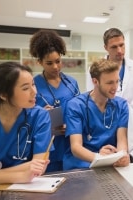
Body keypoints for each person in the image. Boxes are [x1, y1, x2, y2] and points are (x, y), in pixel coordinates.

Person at [0, 62, 51, 198]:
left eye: (33, 84)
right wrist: (21, 175)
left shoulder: (40, 116)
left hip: (25, 191)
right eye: (26, 88)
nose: (35, 92)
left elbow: (39, 167)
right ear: (3, 95)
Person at [63, 59, 130, 170]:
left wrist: (122, 155)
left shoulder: (121, 105)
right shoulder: (76, 105)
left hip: (110, 164)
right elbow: (76, 147)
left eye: (117, 81)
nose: (115, 87)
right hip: (82, 165)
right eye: (109, 83)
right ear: (95, 81)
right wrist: (99, 157)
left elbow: (122, 140)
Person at [29, 29, 80, 172]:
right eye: (49, 63)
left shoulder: (71, 83)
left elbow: (81, 112)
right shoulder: (33, 84)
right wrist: (40, 113)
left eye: (58, 61)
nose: (55, 67)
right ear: (40, 62)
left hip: (70, 142)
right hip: (45, 145)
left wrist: (70, 125)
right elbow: (25, 116)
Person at [86, 28, 133, 103]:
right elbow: (92, 97)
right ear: (106, 48)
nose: (119, 51)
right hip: (105, 114)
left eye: (121, 45)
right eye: (114, 47)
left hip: (132, 113)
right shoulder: (95, 69)